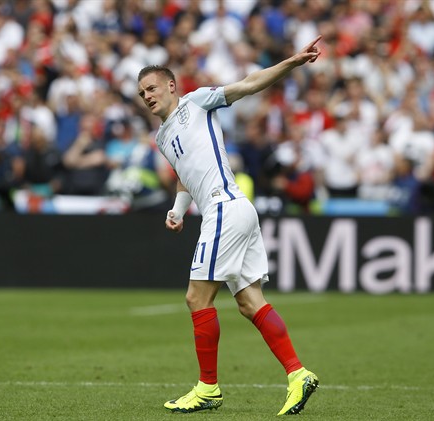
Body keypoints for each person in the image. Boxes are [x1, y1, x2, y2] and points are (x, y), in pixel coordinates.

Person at [137, 36, 322, 416]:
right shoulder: (162, 136)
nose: (147, 96)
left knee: (196, 298)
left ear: (172, 85)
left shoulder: (197, 102)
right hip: (233, 211)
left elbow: (248, 84)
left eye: (152, 88)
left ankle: (208, 388)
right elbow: (185, 174)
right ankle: (298, 374)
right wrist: (177, 208)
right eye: (142, 93)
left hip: (224, 209)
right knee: (250, 302)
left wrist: (291, 62)